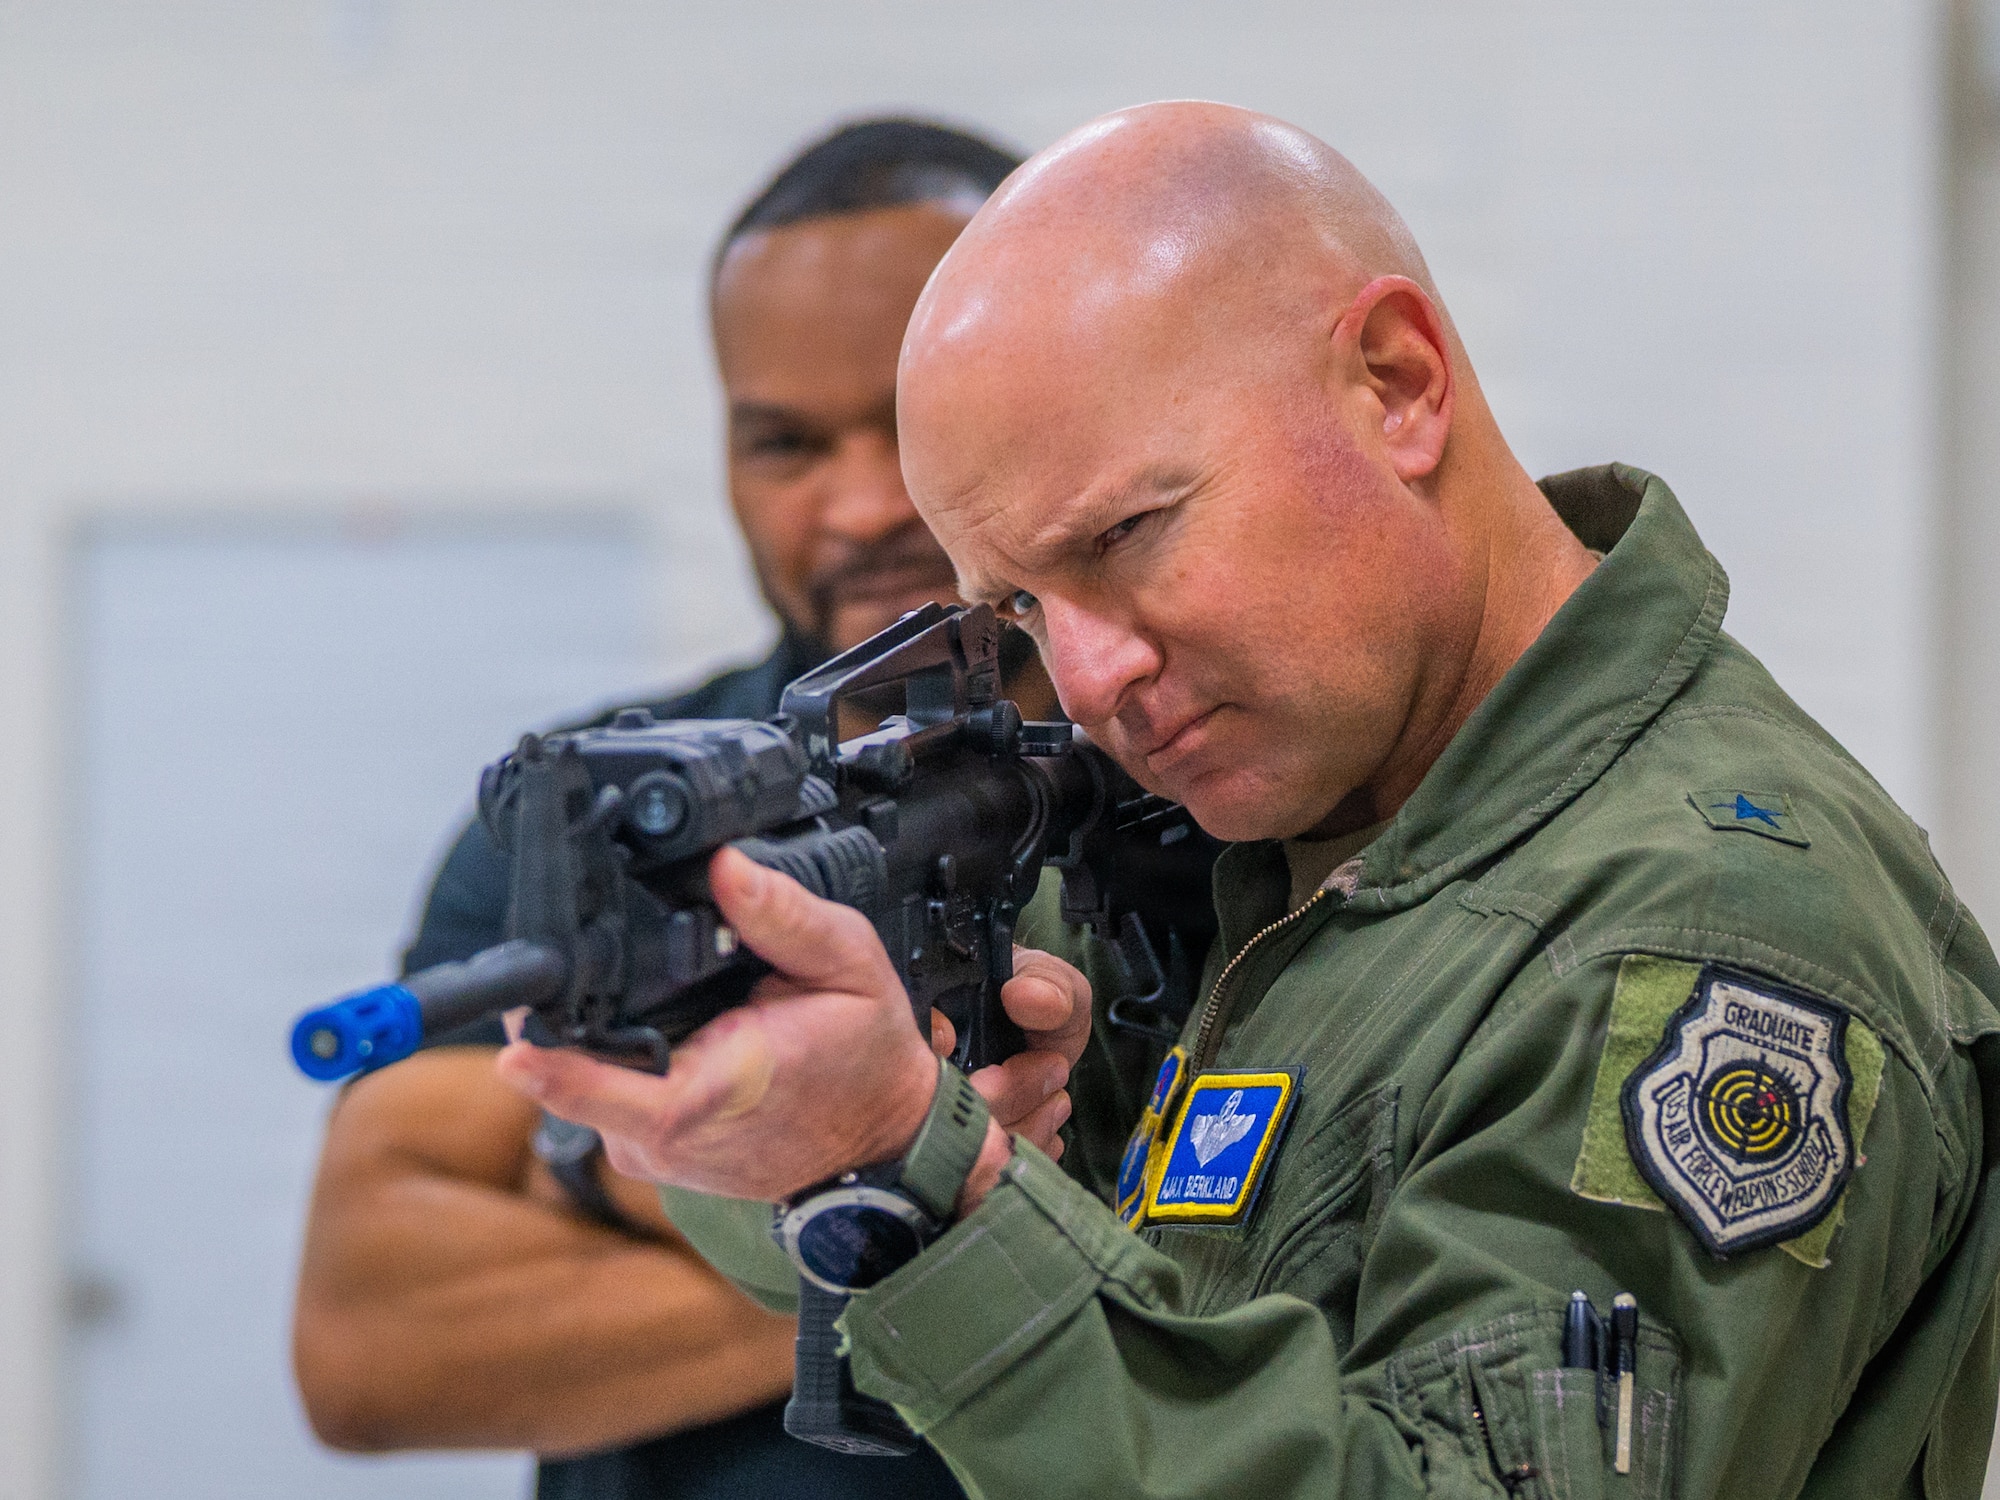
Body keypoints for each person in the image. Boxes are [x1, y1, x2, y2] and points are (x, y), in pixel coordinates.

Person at [497, 100, 2000, 1499]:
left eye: (1133, 533)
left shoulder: (1699, 933)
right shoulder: (1281, 834)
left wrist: (924, 1179)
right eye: (1020, 604)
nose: (1084, 677)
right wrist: (782, 1130)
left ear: (1398, 384)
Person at [293, 119, 1041, 1500]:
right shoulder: (601, 810)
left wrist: (651, 1193)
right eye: (784, 444)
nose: (861, 503)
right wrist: (986, 1232)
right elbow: (370, 1335)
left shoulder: (1220, 785)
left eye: (909, 417)